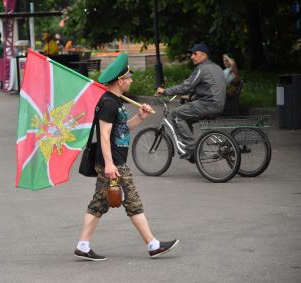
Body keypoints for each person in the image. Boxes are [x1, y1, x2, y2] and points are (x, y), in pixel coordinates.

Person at [74, 53, 179, 261]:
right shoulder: (108, 103)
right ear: (120, 80)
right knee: (133, 201)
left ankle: (83, 245)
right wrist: (111, 165)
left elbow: (121, 130)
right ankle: (153, 244)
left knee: (99, 204)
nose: (131, 80)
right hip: (113, 163)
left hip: (112, 162)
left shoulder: (116, 100)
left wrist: (140, 117)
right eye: (129, 78)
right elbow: (103, 135)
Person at [156, 42, 226, 162]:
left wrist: (165, 91)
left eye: (195, 54)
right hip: (217, 103)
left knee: (176, 115)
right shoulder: (217, 67)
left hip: (208, 104)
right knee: (185, 116)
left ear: (204, 55)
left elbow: (186, 86)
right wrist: (191, 96)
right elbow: (208, 86)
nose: (191, 56)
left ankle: (192, 149)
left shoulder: (202, 69)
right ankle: (193, 150)